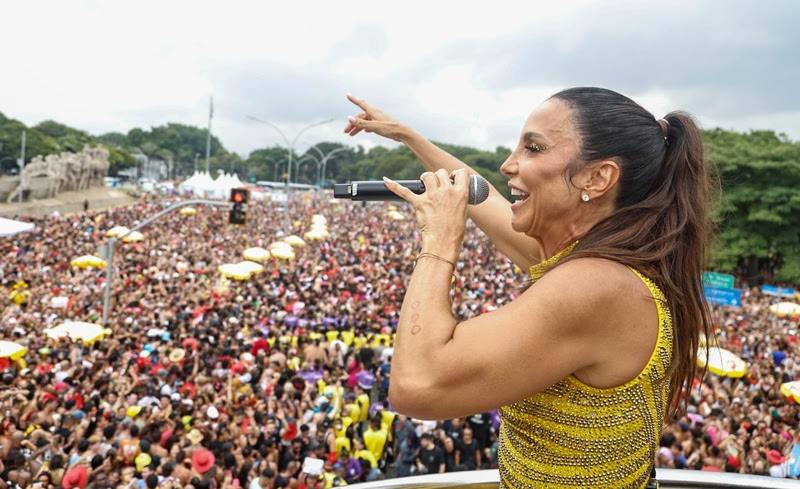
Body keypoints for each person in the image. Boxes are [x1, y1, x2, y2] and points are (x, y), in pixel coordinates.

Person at [343, 87, 713, 488]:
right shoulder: (597, 262)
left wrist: (439, 240)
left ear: (598, 177)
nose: (507, 165)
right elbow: (481, 196)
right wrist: (409, 137)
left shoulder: (596, 286)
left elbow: (417, 384)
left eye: (533, 148)